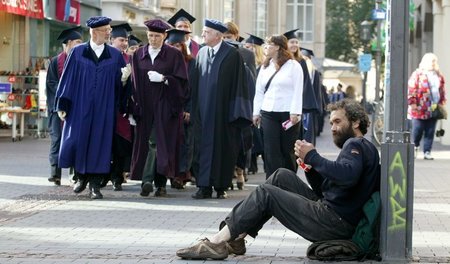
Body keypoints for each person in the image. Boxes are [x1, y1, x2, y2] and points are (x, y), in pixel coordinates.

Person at [176, 98, 380, 260]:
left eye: (338, 122)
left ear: (355, 122)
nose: (333, 128)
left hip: (335, 221)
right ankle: (237, 237)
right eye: (332, 122)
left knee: (266, 194)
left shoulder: (356, 144)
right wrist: (310, 168)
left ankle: (217, 242)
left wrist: (313, 156)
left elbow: (347, 176)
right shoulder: (360, 146)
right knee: (282, 175)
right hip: (333, 214)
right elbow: (330, 190)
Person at [55, 16, 127, 199]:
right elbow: (67, 80)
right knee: (79, 140)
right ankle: (80, 177)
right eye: (106, 31)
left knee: (100, 143)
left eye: (109, 30)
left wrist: (125, 81)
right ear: (94, 32)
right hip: (80, 106)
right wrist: (63, 104)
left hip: (104, 108)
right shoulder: (78, 53)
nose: (109, 33)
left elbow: (120, 86)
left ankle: (95, 184)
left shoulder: (115, 56)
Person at [190, 19, 252, 199]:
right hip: (203, 112)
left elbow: (240, 86)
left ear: (217, 35)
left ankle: (220, 186)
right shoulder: (201, 53)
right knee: (201, 149)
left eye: (206, 32)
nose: (202, 35)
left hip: (223, 115)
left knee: (222, 149)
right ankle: (203, 186)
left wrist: (236, 113)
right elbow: (194, 84)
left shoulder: (232, 55)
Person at [129, 19, 189, 197]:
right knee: (148, 144)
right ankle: (159, 185)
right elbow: (133, 85)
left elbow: (183, 83)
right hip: (145, 107)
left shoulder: (174, 55)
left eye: (157, 36)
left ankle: (149, 181)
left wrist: (164, 79)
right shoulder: (138, 54)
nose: (153, 39)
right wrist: (132, 108)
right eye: (150, 35)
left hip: (165, 106)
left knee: (158, 143)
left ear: (164, 36)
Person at [253, 34, 303, 179]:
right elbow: (259, 90)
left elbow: (298, 91)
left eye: (269, 44)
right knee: (270, 149)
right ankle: (272, 181)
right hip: (268, 112)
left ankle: (288, 181)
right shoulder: (265, 67)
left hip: (288, 114)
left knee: (287, 150)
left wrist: (295, 112)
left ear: (278, 47)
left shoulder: (294, 66)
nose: (265, 48)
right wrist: (256, 112)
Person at [46, 26, 83, 186]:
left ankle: (74, 173)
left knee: (73, 140)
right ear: (68, 43)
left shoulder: (81, 61)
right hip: (57, 109)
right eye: (78, 42)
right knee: (56, 140)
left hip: (75, 108)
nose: (81, 45)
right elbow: (51, 84)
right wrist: (64, 95)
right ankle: (55, 174)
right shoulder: (56, 61)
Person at [223, 21, 257, 190]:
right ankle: (228, 173)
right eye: (223, 37)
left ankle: (240, 170)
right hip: (225, 104)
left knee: (243, 139)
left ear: (236, 36)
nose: (226, 40)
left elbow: (252, 82)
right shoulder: (220, 53)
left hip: (242, 103)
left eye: (229, 37)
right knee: (227, 141)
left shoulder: (247, 54)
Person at [102, 23, 134, 191]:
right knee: (105, 143)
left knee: (120, 144)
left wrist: (125, 82)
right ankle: (103, 174)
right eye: (121, 40)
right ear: (112, 39)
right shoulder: (105, 57)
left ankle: (117, 176)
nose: (124, 43)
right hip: (105, 107)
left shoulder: (129, 59)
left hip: (121, 109)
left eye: (126, 40)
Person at [165, 28, 196, 189]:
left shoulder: (191, 63)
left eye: (179, 45)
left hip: (185, 110)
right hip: (168, 109)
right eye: (172, 44)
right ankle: (170, 174)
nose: (175, 48)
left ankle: (181, 174)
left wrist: (189, 109)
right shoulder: (163, 62)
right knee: (170, 144)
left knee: (185, 144)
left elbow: (194, 89)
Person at [408, 53, 447, 160]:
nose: (433, 63)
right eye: (431, 61)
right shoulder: (418, 74)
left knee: (430, 131)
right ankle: (415, 147)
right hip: (419, 108)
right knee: (417, 130)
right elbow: (411, 89)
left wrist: (442, 102)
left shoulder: (438, 75)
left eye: (435, 61)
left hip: (433, 108)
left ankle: (427, 152)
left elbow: (442, 90)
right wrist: (412, 103)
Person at [284, 29, 320, 143]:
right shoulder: (281, 61)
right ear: (286, 44)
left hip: (296, 105)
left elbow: (305, 85)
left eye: (296, 42)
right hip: (283, 102)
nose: (294, 44)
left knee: (294, 136)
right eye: (292, 42)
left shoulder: (301, 61)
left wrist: (303, 105)